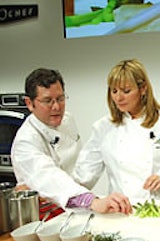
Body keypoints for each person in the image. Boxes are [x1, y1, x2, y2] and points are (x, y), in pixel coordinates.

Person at [11, 68, 132, 214]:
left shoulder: (67, 120)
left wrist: (90, 198)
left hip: (74, 202)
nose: (56, 107)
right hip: (43, 212)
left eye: (61, 99)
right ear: (29, 103)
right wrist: (91, 201)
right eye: (48, 101)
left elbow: (83, 164)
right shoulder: (26, 142)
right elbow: (49, 178)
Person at [73, 59, 160, 202]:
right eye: (114, 91)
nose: (118, 97)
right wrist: (63, 192)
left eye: (126, 91)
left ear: (143, 89)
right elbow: (86, 172)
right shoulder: (103, 127)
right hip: (121, 207)